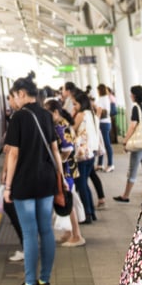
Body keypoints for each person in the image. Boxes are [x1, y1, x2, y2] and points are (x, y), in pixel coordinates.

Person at [2, 75, 65, 285]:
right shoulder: (47, 115)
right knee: (46, 230)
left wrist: (8, 186)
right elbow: (55, 150)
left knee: (30, 234)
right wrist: (61, 177)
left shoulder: (18, 117)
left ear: (21, 93)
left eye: (14, 96)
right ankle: (44, 283)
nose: (14, 101)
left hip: (24, 183)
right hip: (46, 182)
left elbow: (14, 154)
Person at [45, 99, 85, 246]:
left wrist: (58, 163)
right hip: (69, 169)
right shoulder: (62, 124)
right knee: (67, 200)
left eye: (48, 113)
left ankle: (77, 235)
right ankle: (69, 233)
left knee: (67, 201)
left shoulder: (60, 127)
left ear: (55, 112)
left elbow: (67, 150)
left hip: (66, 171)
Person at [70, 89, 104, 224]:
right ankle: (91, 212)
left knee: (81, 184)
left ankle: (87, 213)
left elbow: (72, 130)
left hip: (81, 154)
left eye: (75, 104)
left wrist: (72, 116)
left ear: (81, 104)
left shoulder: (81, 114)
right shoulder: (92, 114)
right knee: (84, 183)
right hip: (91, 154)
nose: (74, 107)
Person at [96, 84, 116, 172]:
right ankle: (100, 164)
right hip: (107, 122)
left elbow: (99, 111)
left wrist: (95, 120)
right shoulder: (107, 98)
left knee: (106, 144)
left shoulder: (101, 99)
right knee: (102, 143)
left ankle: (110, 164)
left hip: (102, 123)